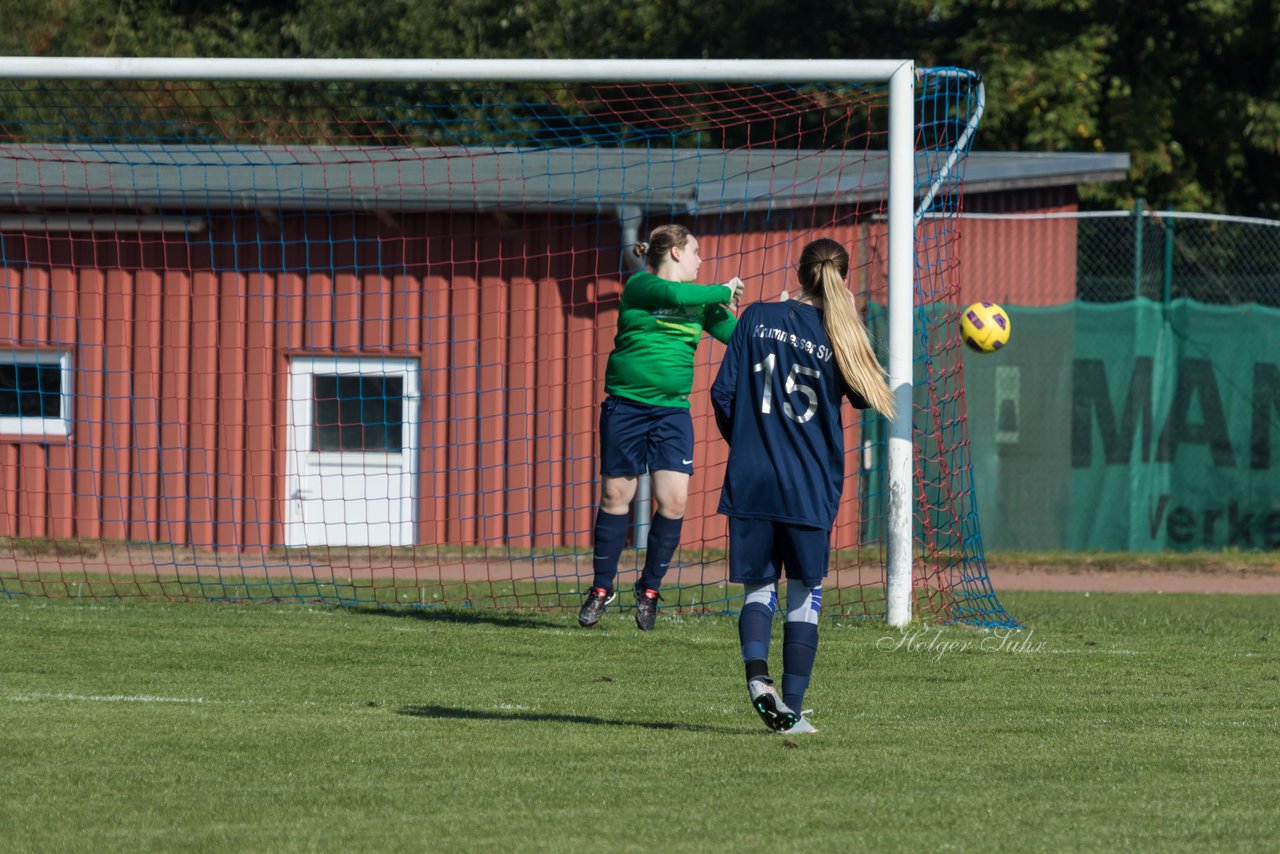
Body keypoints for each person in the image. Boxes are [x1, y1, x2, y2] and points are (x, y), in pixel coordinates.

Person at [709, 237, 895, 734]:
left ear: (800, 271)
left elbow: (721, 393)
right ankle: (791, 707)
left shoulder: (753, 317)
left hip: (750, 478)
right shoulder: (841, 333)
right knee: (806, 592)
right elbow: (863, 396)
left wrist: (748, 442)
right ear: (842, 278)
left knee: (758, 587)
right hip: (808, 483)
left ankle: (757, 680)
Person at [578, 224, 745, 631]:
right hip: (626, 407)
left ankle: (649, 589)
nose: (700, 261)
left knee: (674, 502)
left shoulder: (701, 303)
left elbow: (742, 336)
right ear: (673, 252)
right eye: (696, 251)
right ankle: (602, 588)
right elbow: (674, 295)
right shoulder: (642, 285)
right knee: (617, 494)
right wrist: (724, 291)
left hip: (671, 413)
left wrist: (778, 316)